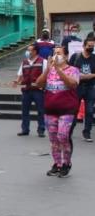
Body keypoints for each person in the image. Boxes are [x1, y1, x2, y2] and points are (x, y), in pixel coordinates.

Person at [36, 45, 80, 177]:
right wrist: (48, 70)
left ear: (66, 56)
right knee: (53, 139)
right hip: (50, 109)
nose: (56, 56)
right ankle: (57, 164)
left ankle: (66, 163)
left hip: (67, 109)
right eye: (54, 53)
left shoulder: (73, 70)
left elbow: (72, 84)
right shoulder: (50, 70)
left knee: (63, 136)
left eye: (59, 53)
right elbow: (39, 83)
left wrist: (59, 70)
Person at [13, 44, 47, 137]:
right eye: (27, 50)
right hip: (26, 89)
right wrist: (17, 81)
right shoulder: (24, 62)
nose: (28, 52)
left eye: (30, 50)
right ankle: (25, 129)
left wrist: (42, 85)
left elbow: (46, 74)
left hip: (38, 90)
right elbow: (20, 74)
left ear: (35, 51)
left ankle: (41, 129)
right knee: (25, 110)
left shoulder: (43, 61)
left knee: (41, 110)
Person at [68, 36, 95, 142]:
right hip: (77, 87)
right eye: (89, 46)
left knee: (89, 111)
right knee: (73, 110)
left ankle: (87, 133)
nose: (91, 48)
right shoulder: (76, 57)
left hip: (90, 87)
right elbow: (69, 71)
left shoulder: (94, 58)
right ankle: (69, 132)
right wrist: (79, 76)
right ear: (84, 46)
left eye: (92, 46)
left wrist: (90, 76)